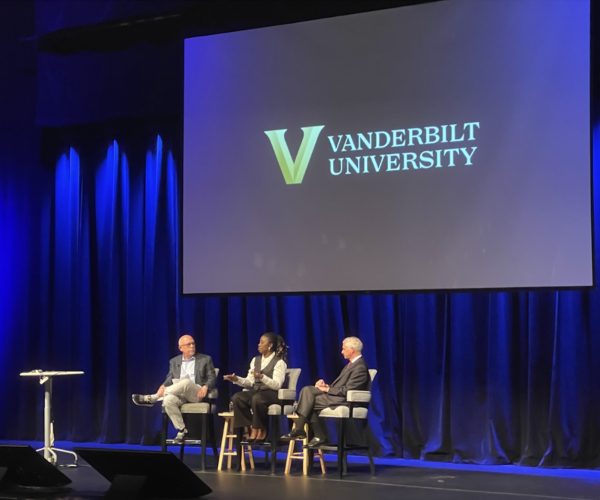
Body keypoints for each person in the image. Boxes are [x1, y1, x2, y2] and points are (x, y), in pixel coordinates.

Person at [281, 336, 368, 447]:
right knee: (308, 391)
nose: (342, 351)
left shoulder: (359, 367)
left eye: (344, 348)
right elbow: (342, 386)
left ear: (352, 349)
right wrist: (326, 386)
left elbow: (348, 390)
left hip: (347, 400)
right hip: (337, 396)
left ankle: (305, 430)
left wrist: (328, 389)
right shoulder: (351, 365)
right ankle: (313, 434)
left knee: (309, 401)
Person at [132, 335, 216, 443]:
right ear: (181, 348)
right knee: (168, 400)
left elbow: (212, 377)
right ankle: (182, 430)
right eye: (188, 344)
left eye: (193, 343)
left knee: (186, 382)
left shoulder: (205, 359)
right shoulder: (174, 361)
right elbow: (169, 378)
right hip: (179, 394)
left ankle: (152, 399)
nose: (192, 346)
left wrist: (206, 386)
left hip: (196, 393)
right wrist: (163, 386)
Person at [223, 333, 287, 444]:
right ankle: (253, 425)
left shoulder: (279, 362)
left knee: (257, 398)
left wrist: (262, 377)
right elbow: (250, 382)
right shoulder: (255, 360)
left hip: (272, 393)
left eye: (262, 342)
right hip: (257, 391)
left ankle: (261, 428)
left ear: (270, 345)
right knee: (238, 398)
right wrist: (236, 379)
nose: (259, 345)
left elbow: (277, 385)